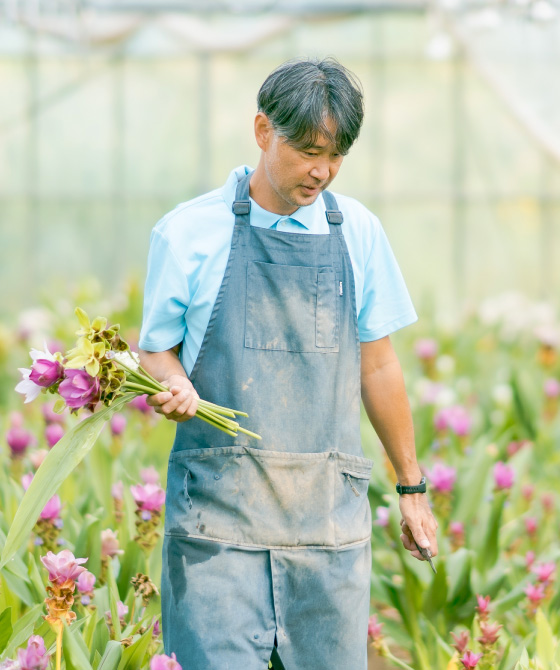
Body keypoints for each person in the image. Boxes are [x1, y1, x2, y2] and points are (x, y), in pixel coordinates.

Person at [138, 57, 438, 670]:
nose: (321, 171)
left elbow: (377, 365)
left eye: (336, 156)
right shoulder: (189, 233)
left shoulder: (357, 231)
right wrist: (171, 384)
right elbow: (156, 349)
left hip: (326, 523)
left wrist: (411, 486)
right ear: (262, 131)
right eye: (307, 150)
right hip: (217, 529)